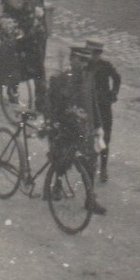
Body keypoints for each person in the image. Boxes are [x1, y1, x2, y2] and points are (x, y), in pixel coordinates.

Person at [44, 49, 107, 215]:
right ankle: (56, 186)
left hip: (85, 129)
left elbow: (93, 105)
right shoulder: (61, 81)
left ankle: (90, 199)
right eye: (80, 60)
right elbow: (52, 106)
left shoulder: (88, 79)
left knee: (91, 163)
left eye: (86, 61)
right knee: (61, 159)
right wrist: (55, 125)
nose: (84, 64)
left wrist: (98, 127)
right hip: (65, 128)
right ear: (72, 60)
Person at [82, 40, 121, 182]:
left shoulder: (105, 66)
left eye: (95, 53)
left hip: (103, 106)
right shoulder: (84, 66)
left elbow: (117, 78)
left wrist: (114, 93)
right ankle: (89, 167)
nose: (93, 56)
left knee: (105, 138)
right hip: (89, 106)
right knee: (88, 137)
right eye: (90, 53)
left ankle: (103, 168)